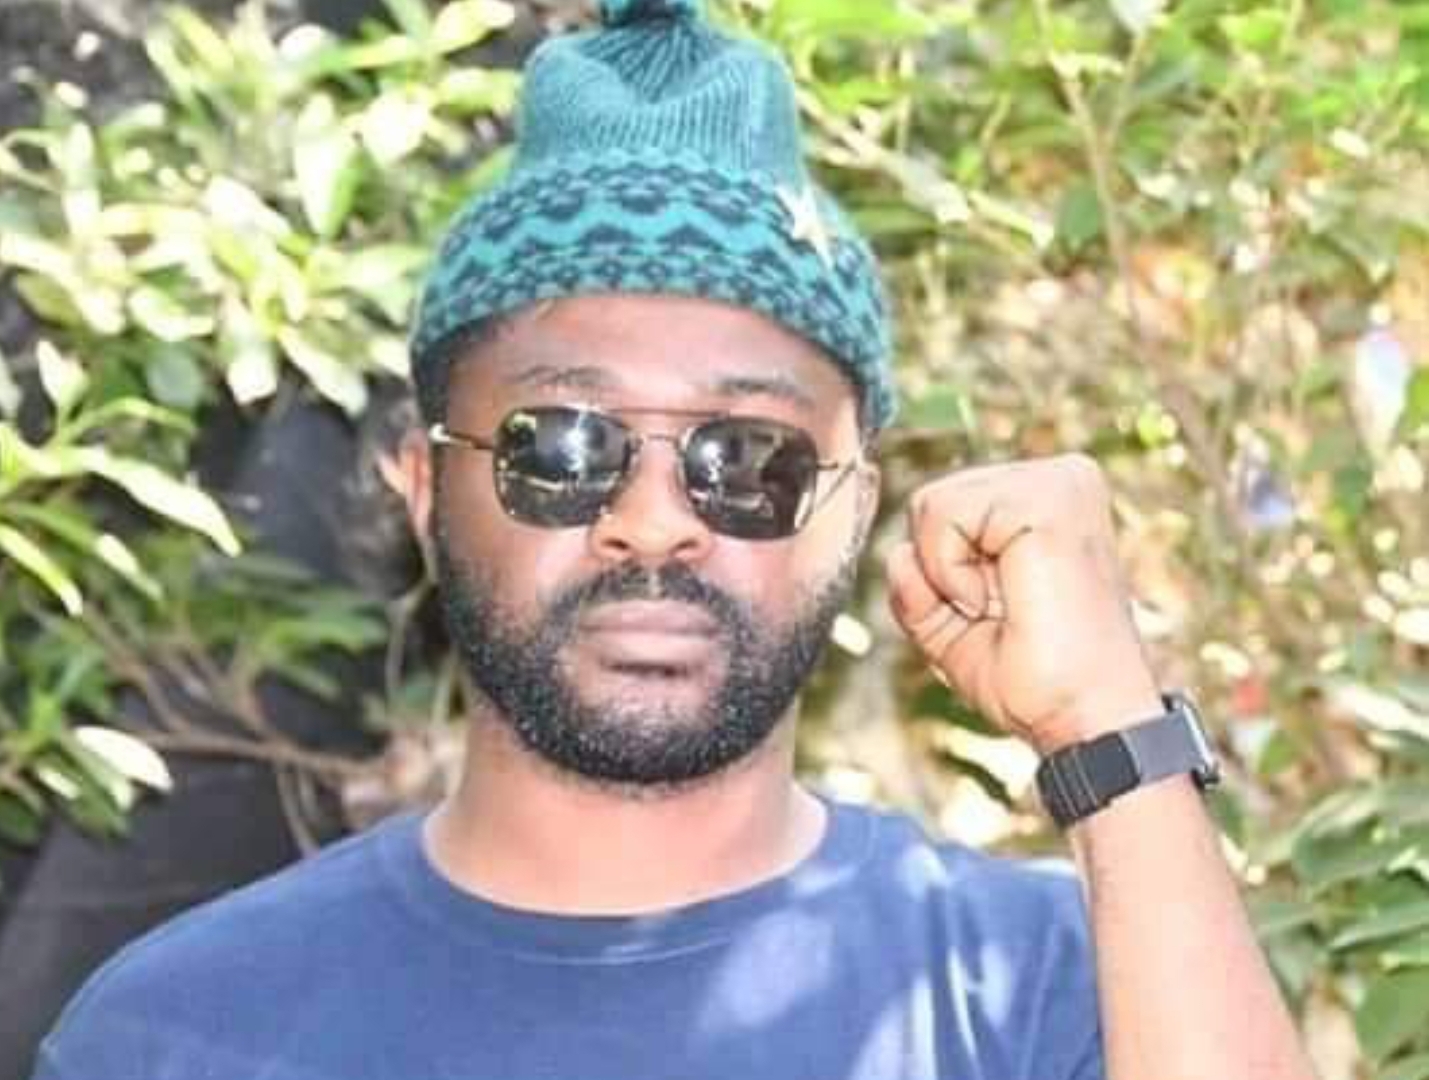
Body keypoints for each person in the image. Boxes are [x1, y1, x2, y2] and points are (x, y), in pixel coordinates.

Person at [32, 2, 1317, 1078]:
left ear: (854, 504)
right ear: (426, 488)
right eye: (559, 447)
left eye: (749, 459)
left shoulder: (1047, 993)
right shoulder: (179, 1033)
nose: (651, 523)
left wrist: (1108, 727)